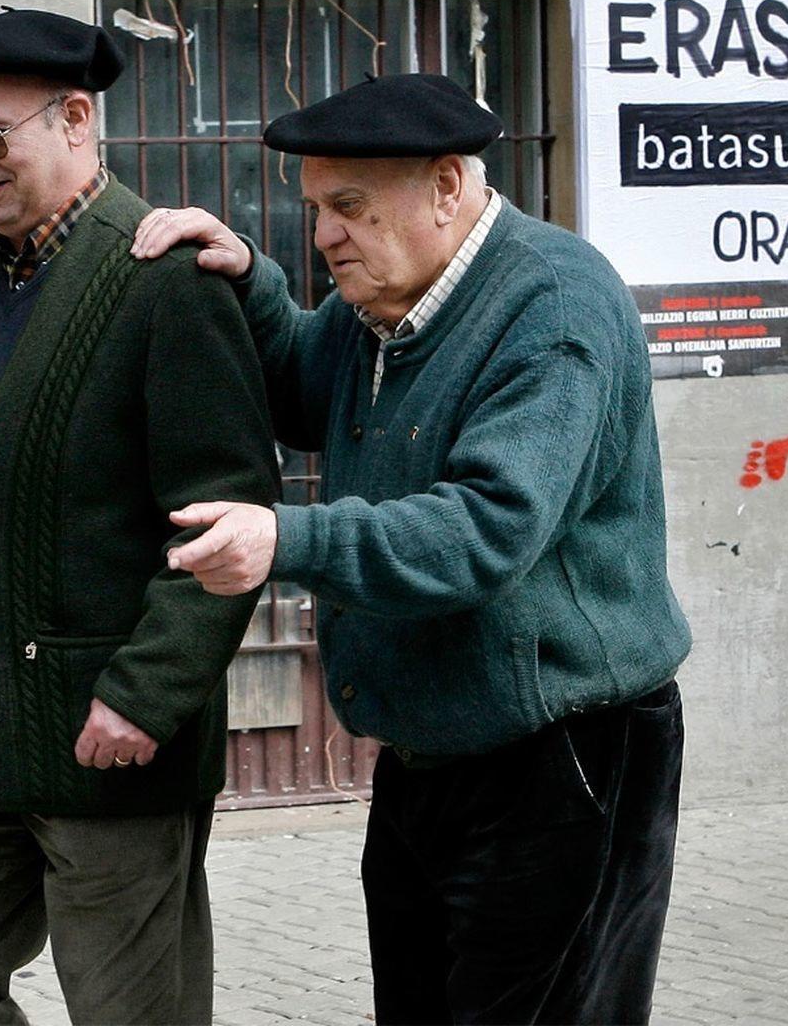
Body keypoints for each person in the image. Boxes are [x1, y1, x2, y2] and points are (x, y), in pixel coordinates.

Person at [132, 73, 693, 1025]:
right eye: (312, 211)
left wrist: (285, 538)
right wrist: (248, 279)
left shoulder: (553, 306)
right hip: (432, 743)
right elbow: (311, 391)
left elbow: (487, 528)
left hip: (563, 748)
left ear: (446, 187)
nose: (323, 238)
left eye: (346, 208)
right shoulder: (390, 299)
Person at [0, 7, 280, 1026]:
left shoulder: (165, 280)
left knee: (131, 1012)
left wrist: (146, 694)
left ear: (72, 118)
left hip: (109, 737)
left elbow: (227, 514)